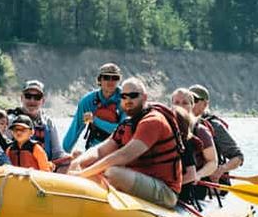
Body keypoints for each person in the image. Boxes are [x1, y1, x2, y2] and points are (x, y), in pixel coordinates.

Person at [69, 78, 183, 209]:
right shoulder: (126, 124)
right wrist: (77, 163)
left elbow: (125, 155)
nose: (128, 100)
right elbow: (100, 150)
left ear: (145, 97)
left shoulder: (153, 121)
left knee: (112, 173)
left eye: (133, 96)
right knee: (81, 160)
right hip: (138, 179)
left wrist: (83, 174)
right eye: (124, 96)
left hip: (165, 191)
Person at [63, 63, 125, 153]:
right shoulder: (88, 101)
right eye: (106, 77)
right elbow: (75, 129)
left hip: (117, 150)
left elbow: (122, 131)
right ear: (100, 80)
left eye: (115, 78)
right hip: (94, 149)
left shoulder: (125, 99)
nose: (111, 81)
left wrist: (95, 120)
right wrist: (63, 154)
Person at [189, 84, 244, 183]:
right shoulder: (180, 122)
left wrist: (221, 170)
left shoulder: (215, 126)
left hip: (209, 182)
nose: (190, 103)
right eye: (188, 100)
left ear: (205, 104)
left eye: (195, 100)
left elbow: (238, 157)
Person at [171, 88, 218, 202]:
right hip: (171, 181)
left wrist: (198, 175)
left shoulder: (200, 130)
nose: (180, 106)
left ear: (192, 105)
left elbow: (213, 162)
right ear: (171, 105)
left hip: (193, 185)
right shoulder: (165, 125)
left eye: (185, 103)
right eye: (176, 103)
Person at [8, 80, 67, 166]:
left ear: (42, 101)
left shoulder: (48, 123)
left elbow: (57, 153)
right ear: (21, 98)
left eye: (37, 97)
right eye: (28, 96)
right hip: (16, 171)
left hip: (43, 171)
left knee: (74, 157)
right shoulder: (10, 121)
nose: (32, 101)